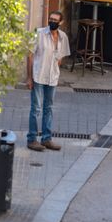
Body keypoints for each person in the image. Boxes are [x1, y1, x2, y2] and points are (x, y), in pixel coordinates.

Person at [26, 11, 70, 152]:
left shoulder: (63, 37)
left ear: (60, 22)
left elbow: (60, 58)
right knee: (36, 108)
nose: (52, 21)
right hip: (38, 76)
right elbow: (30, 55)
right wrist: (29, 77)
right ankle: (32, 139)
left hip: (52, 78)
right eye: (50, 19)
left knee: (49, 108)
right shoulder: (39, 33)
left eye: (55, 20)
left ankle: (46, 139)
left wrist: (54, 68)